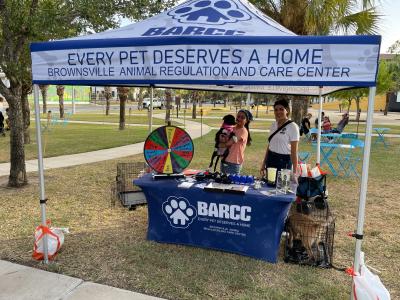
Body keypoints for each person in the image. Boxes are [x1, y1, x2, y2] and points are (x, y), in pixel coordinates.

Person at [260, 99, 299, 178]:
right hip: (271, 159)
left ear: (287, 110)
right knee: (269, 184)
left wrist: (295, 171)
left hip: (284, 161)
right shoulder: (273, 125)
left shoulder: (293, 126)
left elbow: (294, 151)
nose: (278, 112)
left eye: (281, 109)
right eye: (276, 110)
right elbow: (270, 145)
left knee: (282, 187)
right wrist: (263, 163)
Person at [220, 109, 253, 175]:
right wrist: (223, 126)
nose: (239, 118)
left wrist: (220, 145)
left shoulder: (243, 131)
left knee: (231, 184)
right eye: (238, 116)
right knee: (221, 183)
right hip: (224, 161)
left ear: (246, 121)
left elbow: (228, 143)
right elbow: (221, 138)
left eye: (242, 117)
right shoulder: (232, 128)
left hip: (233, 164)